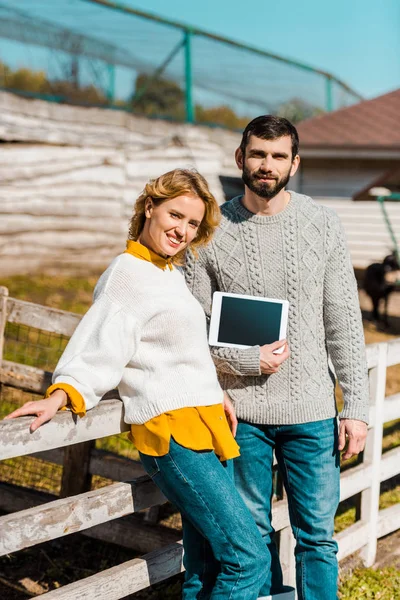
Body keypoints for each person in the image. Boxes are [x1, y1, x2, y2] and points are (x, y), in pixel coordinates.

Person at [4, 168, 291, 600]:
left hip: (208, 425)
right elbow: (98, 346)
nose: (183, 230)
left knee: (205, 562)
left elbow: (185, 353)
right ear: (150, 207)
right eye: (176, 215)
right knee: (249, 558)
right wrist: (62, 394)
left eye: (193, 224)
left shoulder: (170, 273)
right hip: (172, 434)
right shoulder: (127, 275)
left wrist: (216, 397)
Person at [185, 117, 369, 600]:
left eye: (278, 156)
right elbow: (190, 333)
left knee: (317, 540)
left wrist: (355, 408)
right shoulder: (209, 232)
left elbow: (344, 323)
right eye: (258, 154)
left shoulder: (322, 224)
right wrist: (246, 363)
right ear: (240, 158)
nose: (267, 165)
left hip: (312, 414)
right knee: (252, 536)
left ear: (295, 163)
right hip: (240, 415)